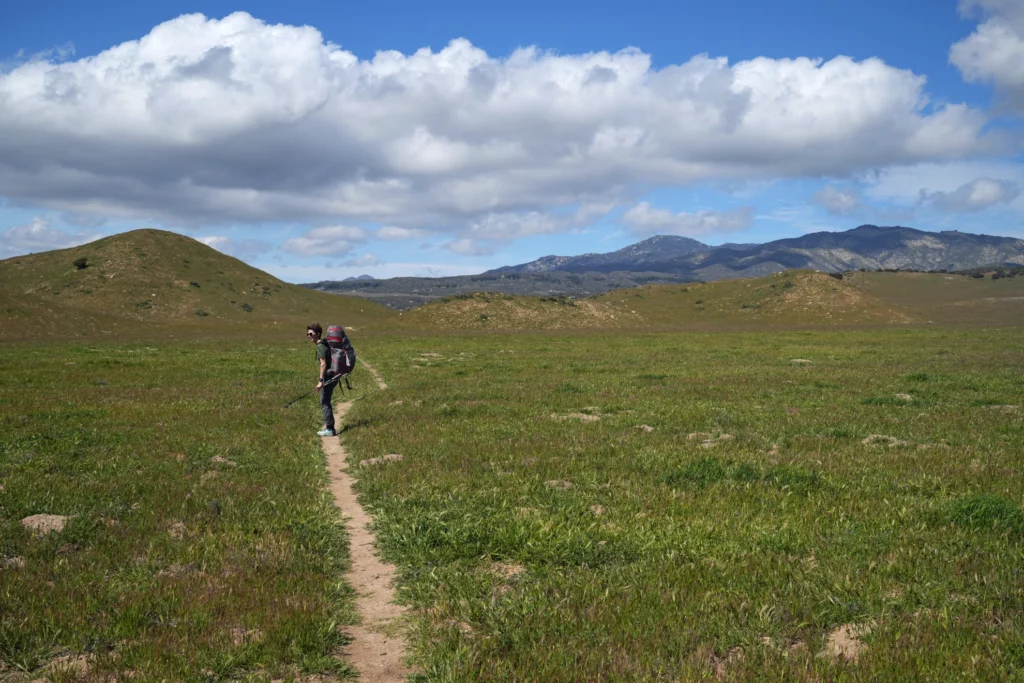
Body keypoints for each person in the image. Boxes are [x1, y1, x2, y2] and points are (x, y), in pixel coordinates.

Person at [307, 323, 337, 436]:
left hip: (328, 377)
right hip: (333, 375)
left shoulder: (320, 346)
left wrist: (320, 381)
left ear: (318, 334)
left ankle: (330, 429)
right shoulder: (324, 344)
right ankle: (330, 428)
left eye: (311, 334)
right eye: (307, 334)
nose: (309, 336)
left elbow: (323, 364)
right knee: (326, 400)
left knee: (325, 401)